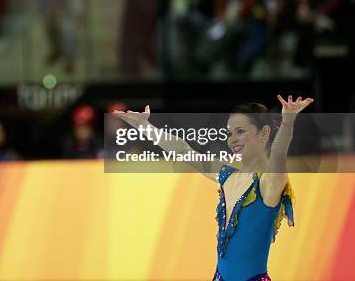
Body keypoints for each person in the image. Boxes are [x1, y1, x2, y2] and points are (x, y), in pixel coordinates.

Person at [114, 94, 314, 280]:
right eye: (229, 133)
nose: (233, 139)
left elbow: (278, 155)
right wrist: (146, 127)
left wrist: (287, 122)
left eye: (241, 131)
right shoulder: (226, 176)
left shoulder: (269, 183)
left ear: (264, 133)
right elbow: (184, 151)